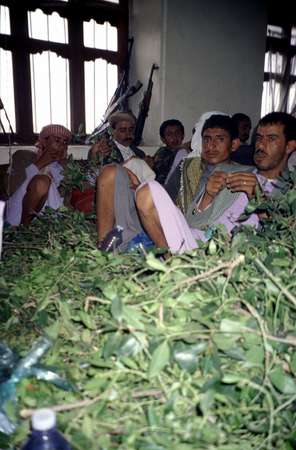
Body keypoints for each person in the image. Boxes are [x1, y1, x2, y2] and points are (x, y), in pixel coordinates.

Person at [135, 112, 296, 254]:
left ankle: (176, 265)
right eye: (259, 138)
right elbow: (191, 222)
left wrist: (258, 200)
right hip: (195, 242)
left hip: (230, 254)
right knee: (147, 190)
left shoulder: (290, 191)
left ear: (290, 146)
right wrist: (207, 197)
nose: (261, 145)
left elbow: (283, 242)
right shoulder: (231, 171)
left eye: (271, 139)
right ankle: (174, 262)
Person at [5, 124, 72, 226]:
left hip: (51, 218)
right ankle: (24, 230)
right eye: (57, 140)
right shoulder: (23, 157)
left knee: (45, 182)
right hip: (19, 214)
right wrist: (41, 163)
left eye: (65, 142)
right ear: (44, 141)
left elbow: (66, 198)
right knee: (42, 182)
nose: (62, 146)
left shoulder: (64, 167)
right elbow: (12, 188)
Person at [153, 119, 188, 184]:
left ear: (183, 136)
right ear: (163, 139)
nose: (174, 137)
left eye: (177, 133)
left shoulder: (186, 152)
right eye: (169, 134)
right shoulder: (161, 153)